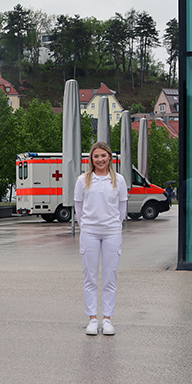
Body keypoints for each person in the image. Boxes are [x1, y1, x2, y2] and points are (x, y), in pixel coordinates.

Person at [74, 142, 128, 336]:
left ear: (110, 158)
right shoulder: (83, 180)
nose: (100, 160)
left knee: (110, 275)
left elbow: (122, 208)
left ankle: (107, 319)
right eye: (96, 156)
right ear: (91, 159)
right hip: (89, 232)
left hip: (112, 231)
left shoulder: (119, 180)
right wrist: (86, 226)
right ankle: (92, 318)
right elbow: (79, 208)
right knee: (90, 276)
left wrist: (114, 224)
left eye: (103, 156)